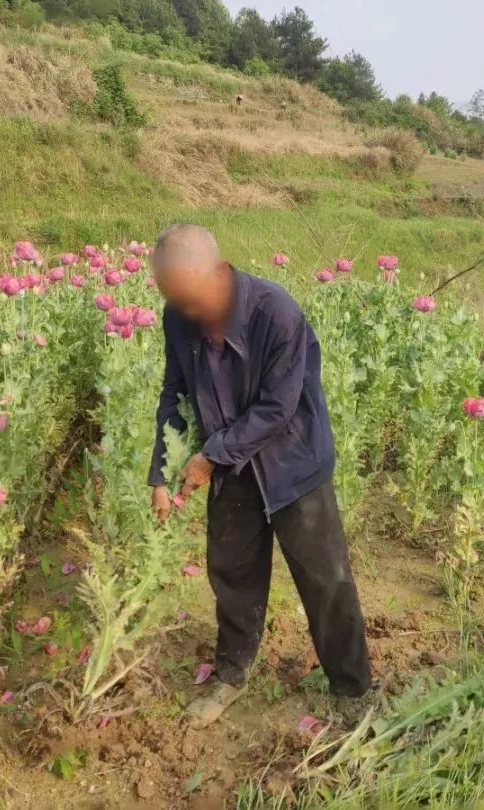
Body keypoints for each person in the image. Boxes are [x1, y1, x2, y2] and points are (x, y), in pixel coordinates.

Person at [147, 224, 373, 729]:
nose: (186, 314)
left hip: (293, 464)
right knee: (232, 574)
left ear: (219, 274)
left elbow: (277, 407)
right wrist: (160, 471)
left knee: (324, 580)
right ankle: (230, 673)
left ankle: (352, 690)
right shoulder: (178, 317)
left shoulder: (277, 312)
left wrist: (210, 455)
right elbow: (175, 392)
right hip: (231, 468)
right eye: (175, 303)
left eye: (192, 300)